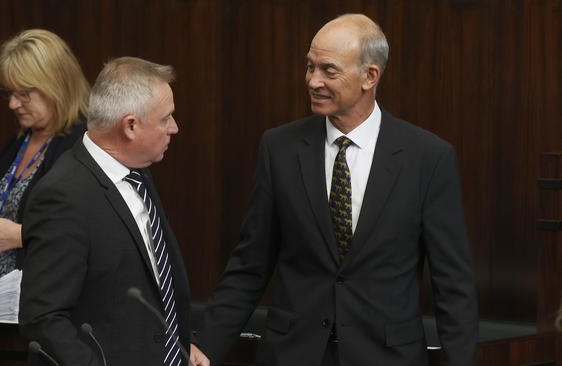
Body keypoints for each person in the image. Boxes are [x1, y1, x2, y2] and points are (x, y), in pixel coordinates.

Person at [195, 13, 478, 366]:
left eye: (329, 70)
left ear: (370, 76)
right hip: (293, 354)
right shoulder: (280, 148)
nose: (313, 81)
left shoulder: (428, 158)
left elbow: (453, 283)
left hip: (386, 356)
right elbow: (250, 263)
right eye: (309, 66)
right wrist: (205, 344)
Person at [19, 57, 209, 366]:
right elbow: (42, 318)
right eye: (166, 118)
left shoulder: (136, 171)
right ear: (130, 126)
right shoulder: (63, 195)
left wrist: (179, 344)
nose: (175, 128)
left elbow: (146, 285)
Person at [0, 29, 89, 284]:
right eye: (9, 93)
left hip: (43, 303)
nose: (12, 104)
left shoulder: (83, 145)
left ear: (56, 85)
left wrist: (21, 236)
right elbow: (7, 208)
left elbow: (92, 232)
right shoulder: (20, 141)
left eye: (23, 93)